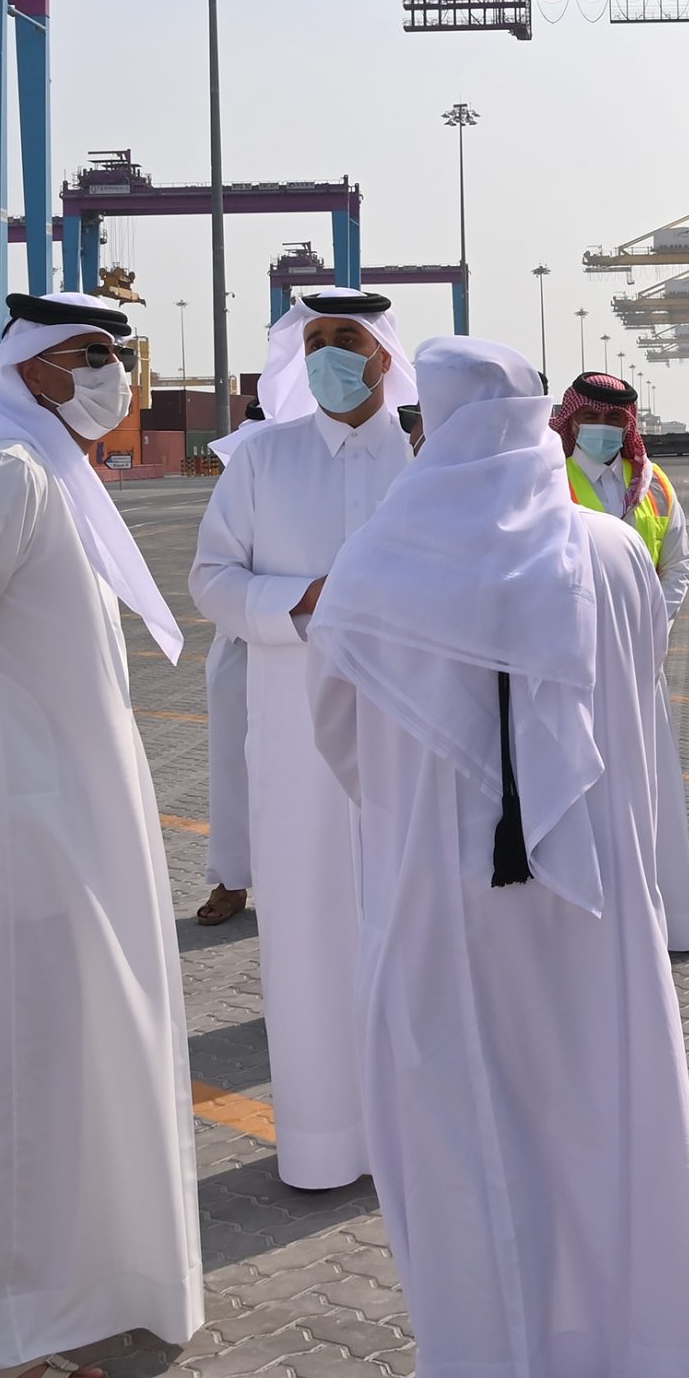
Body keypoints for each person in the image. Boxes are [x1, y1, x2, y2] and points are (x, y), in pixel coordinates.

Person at [309, 338, 689, 1378]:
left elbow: (340, 744)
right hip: (598, 906)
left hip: (440, 907)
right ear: (540, 421)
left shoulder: (373, 567)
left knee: (461, 1142)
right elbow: (641, 698)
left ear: (427, 427)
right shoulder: (615, 552)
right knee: (605, 1119)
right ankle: (635, 1371)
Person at [0, 292, 203, 1378]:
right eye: (91, 355)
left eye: (114, 353)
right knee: (19, 1066)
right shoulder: (8, 474)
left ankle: (77, 1282)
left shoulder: (50, 474)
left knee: (79, 1051)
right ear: (33, 369)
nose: (114, 373)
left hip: (77, 815)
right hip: (22, 819)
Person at [187, 288, 415, 1190]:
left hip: (410, 728)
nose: (327, 354)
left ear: (384, 355)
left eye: (344, 339)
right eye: (313, 340)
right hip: (294, 736)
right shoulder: (261, 459)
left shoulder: (427, 458)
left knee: (410, 923)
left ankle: (415, 1139)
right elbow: (211, 577)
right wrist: (298, 600)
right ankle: (323, 1143)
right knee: (312, 930)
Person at [552, 369, 689, 953]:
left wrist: (650, 630)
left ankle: (660, 927)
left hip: (641, 665)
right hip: (571, 667)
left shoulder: (654, 482)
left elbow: (678, 563)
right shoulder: (548, 478)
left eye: (615, 420)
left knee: (649, 791)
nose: (603, 429)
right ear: (571, 420)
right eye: (591, 418)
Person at [193, 398, 271, 929]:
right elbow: (218, 565)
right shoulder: (254, 453)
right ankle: (231, 878)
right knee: (233, 768)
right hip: (246, 641)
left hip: (329, 646)